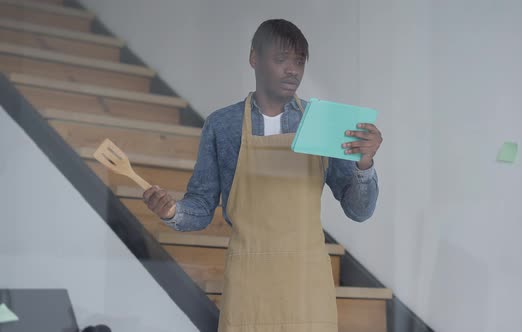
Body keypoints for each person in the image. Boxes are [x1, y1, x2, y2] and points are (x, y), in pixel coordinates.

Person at [143, 19, 382, 332]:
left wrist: (365, 164)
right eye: (281, 59)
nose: (292, 70)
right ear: (254, 58)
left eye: (299, 61)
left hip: (305, 282)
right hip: (249, 281)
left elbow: (358, 210)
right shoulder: (222, 125)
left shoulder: (322, 122)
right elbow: (201, 208)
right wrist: (173, 211)